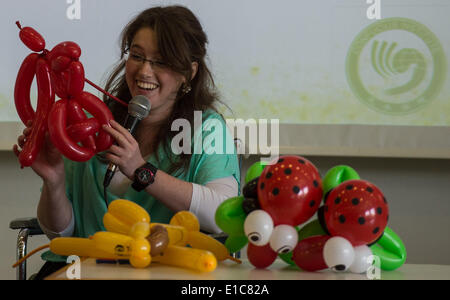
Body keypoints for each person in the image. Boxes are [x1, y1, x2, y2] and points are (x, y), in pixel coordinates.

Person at [13, 5, 240, 279]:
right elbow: (60, 232)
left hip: (164, 272)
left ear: (188, 73)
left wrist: (142, 171)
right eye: (137, 56)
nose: (144, 71)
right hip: (81, 271)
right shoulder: (87, 119)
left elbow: (222, 213)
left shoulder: (207, 128)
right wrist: (54, 181)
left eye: (161, 61)